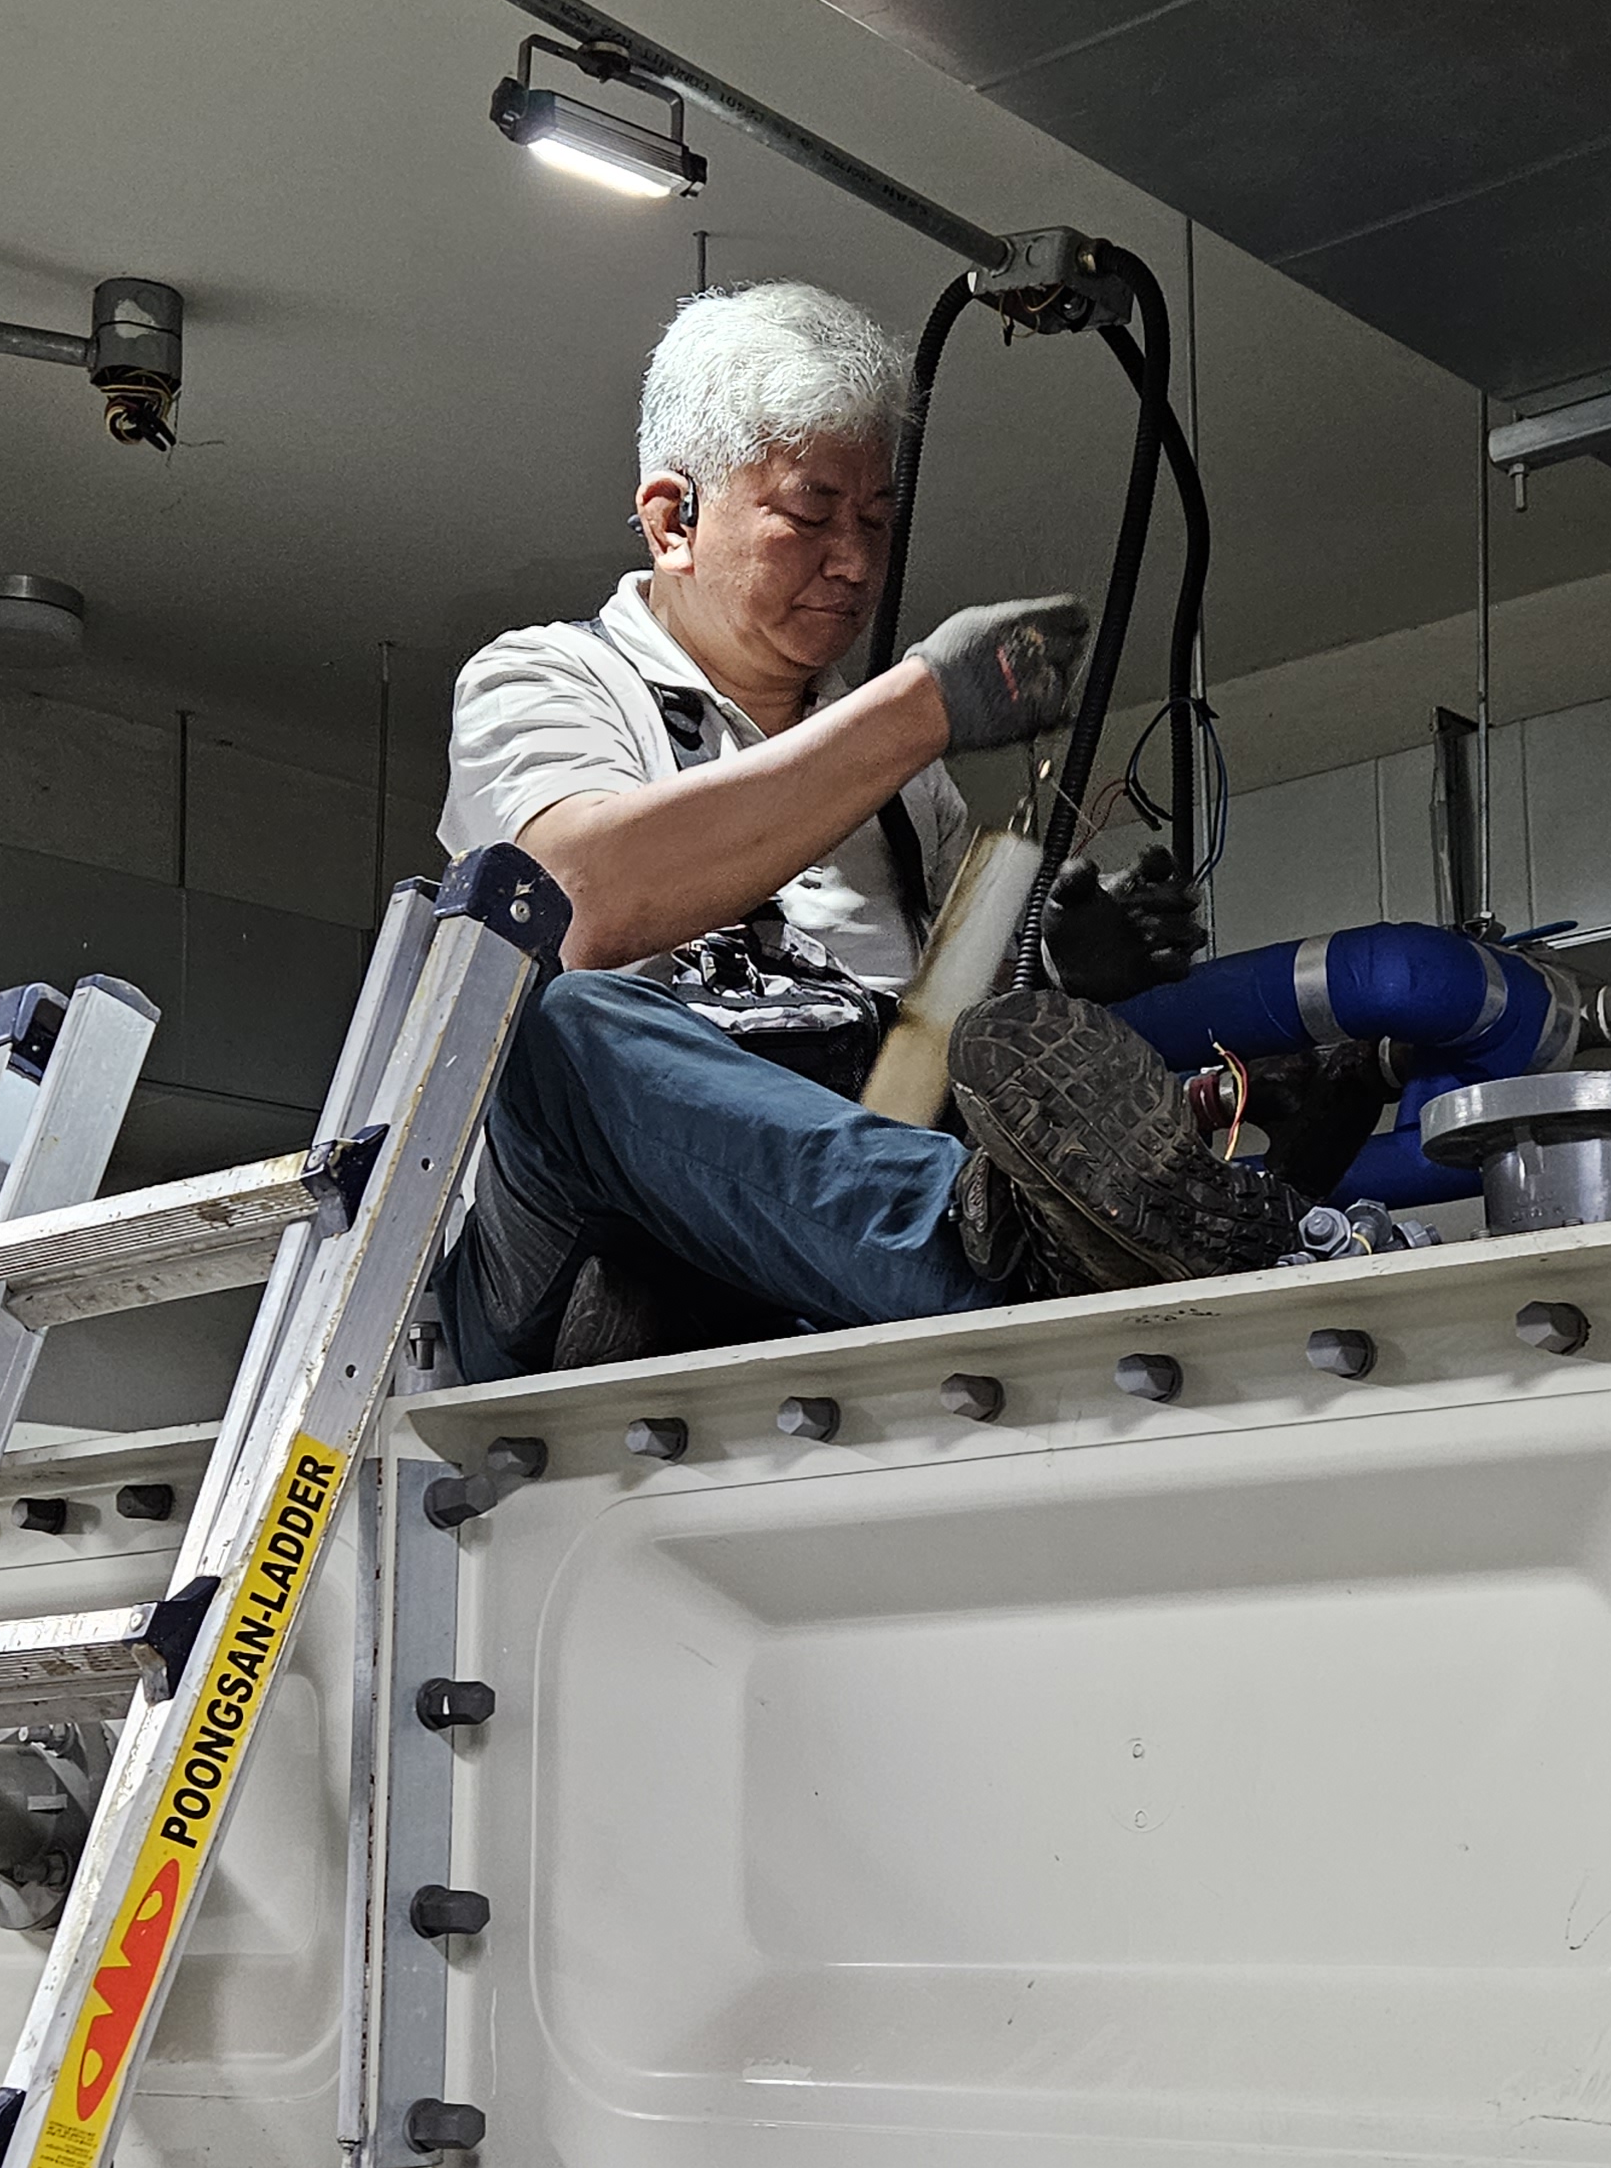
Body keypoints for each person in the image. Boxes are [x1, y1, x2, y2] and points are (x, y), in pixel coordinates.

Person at [434, 280, 1296, 1379]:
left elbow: (925, 1053)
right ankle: (1014, 1249)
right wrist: (918, 707)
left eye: (877, 522)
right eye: (809, 516)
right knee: (563, 1030)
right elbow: (584, 904)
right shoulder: (547, 679)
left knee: (986, 1056)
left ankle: (1048, 1230)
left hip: (825, 1243)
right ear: (673, 520)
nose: (853, 562)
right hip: (592, 1254)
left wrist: (1052, 963)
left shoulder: (903, 788)